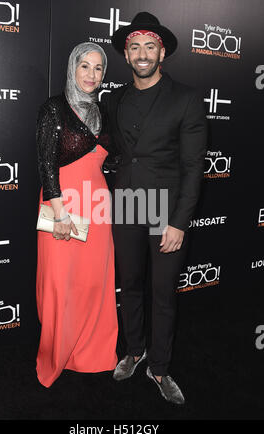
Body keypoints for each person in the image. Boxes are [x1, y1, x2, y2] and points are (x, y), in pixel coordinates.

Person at [107, 12, 207, 404]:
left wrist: (179, 222)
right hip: (129, 204)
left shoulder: (185, 98)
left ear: (162, 51)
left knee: (163, 292)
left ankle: (160, 368)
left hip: (167, 211)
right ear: (126, 55)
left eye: (150, 46)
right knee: (130, 285)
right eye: (135, 46)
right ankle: (134, 351)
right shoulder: (113, 98)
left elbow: (193, 166)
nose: (142, 53)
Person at [36, 42, 118, 388]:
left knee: (94, 282)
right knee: (59, 282)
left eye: (98, 68)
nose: (91, 75)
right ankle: (59, 352)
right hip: (62, 204)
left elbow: (111, 159)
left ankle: (92, 352)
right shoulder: (54, 108)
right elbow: (46, 164)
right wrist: (60, 213)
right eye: (85, 66)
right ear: (72, 68)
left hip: (97, 206)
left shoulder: (104, 112)